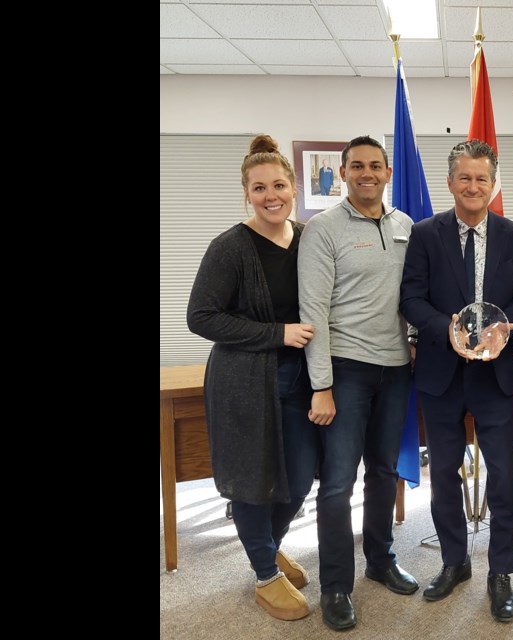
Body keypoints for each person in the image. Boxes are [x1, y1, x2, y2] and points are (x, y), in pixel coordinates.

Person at [400, 140, 513, 623]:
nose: (473, 186)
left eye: (482, 178)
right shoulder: (424, 234)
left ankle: (502, 573)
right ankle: (454, 562)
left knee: (504, 478)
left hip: (495, 374)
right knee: (444, 477)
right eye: (464, 177)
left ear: (492, 183)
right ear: (450, 181)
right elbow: (411, 298)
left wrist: (507, 325)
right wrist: (447, 328)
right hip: (440, 373)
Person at [186, 134, 318, 622]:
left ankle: (268, 545)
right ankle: (265, 573)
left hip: (301, 382)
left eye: (279, 185)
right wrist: (277, 334)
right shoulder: (229, 247)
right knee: (252, 483)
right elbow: (200, 317)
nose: (271, 196)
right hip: (244, 384)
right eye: (259, 187)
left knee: (299, 478)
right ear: (247, 192)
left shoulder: (308, 237)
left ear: (294, 188)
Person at [298, 136, 417, 631]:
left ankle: (380, 558)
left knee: (385, 472)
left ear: (388, 172)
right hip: (345, 369)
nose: (367, 173)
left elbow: (412, 294)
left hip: (395, 369)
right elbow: (314, 311)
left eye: (375, 165)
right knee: (338, 484)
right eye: (357, 166)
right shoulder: (322, 229)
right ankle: (335, 587)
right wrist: (320, 385)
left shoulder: (406, 225)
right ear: (342, 173)